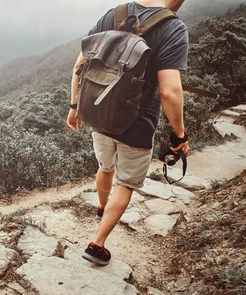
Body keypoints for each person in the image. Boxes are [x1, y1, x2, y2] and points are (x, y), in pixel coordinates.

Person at [67, 0, 191, 266]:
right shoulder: (173, 27)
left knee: (105, 165)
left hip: (98, 110)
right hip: (137, 122)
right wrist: (180, 134)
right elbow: (170, 92)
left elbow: (79, 65)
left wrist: (75, 105)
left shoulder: (115, 14)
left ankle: (102, 208)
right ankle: (96, 245)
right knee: (125, 184)